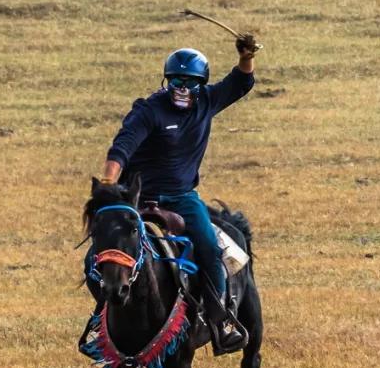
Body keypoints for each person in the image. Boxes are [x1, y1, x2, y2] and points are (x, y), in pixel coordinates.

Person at [95, 36, 258, 349]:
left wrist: (247, 56)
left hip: (182, 197)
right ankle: (98, 319)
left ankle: (219, 319)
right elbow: (122, 148)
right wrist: (108, 182)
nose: (182, 88)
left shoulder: (209, 101)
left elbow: (240, 83)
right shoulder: (148, 110)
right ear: (166, 81)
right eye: (175, 81)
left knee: (210, 249)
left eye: (190, 82)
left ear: (201, 83)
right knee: (103, 248)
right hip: (138, 197)